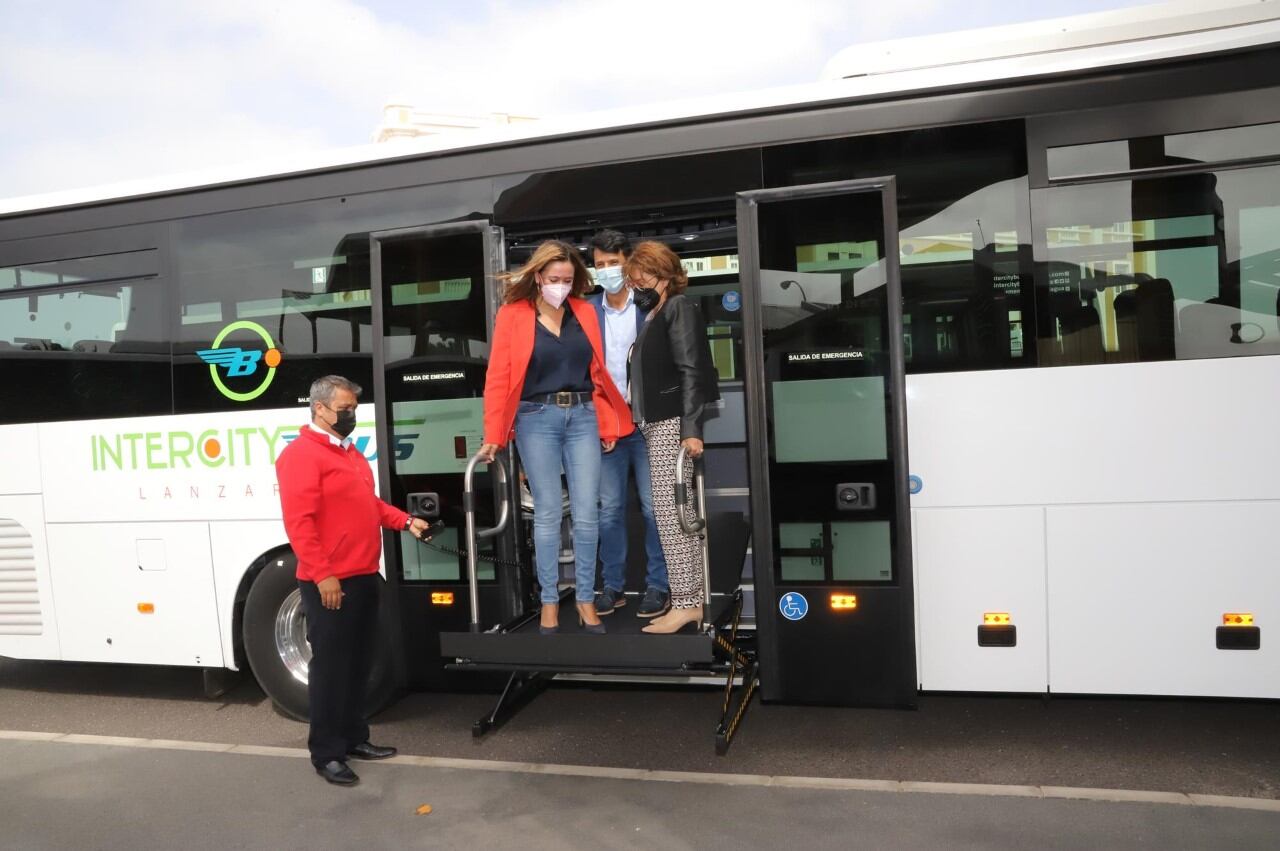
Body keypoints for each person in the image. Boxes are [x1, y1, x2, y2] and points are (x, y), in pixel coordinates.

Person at [275, 374, 432, 787]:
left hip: (363, 574)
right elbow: (300, 523)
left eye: (354, 409)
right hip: (331, 582)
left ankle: (354, 737)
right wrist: (324, 574)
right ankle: (326, 752)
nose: (352, 415)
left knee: (359, 663)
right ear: (319, 409)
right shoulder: (301, 456)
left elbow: (370, 504)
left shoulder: (348, 453)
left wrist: (405, 521)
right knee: (331, 669)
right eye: (345, 409)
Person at [478, 240, 632, 634]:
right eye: (554, 279)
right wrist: (494, 434)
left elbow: (601, 373)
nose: (561, 285)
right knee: (547, 513)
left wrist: (608, 423)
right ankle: (549, 601)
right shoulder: (513, 316)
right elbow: (497, 380)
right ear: (537, 277)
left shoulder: (584, 311)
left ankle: (584, 599)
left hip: (582, 415)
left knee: (587, 512)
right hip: (535, 417)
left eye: (567, 279)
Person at [624, 241, 721, 634]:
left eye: (640, 277)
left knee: (675, 516)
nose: (635, 285)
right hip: (657, 425)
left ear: (662, 272)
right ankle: (687, 600)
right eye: (633, 279)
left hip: (672, 426)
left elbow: (691, 369)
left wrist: (691, 429)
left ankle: (687, 604)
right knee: (673, 515)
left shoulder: (678, 307)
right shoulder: (656, 313)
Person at [586, 229, 671, 619]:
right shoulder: (586, 312)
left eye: (613, 264)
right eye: (599, 265)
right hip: (607, 429)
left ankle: (659, 586)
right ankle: (613, 586)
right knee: (609, 510)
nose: (606, 271)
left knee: (656, 509)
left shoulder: (650, 305)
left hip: (649, 423)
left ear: (629, 263)